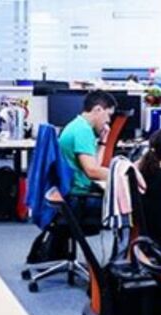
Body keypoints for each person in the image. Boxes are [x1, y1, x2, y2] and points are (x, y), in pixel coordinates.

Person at [57, 90, 116, 225]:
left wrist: (103, 142)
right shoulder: (83, 131)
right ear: (98, 110)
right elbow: (92, 172)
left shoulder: (78, 125)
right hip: (78, 199)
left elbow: (95, 166)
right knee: (133, 206)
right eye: (108, 115)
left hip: (73, 196)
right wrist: (121, 175)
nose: (108, 121)